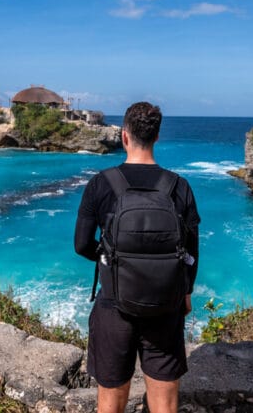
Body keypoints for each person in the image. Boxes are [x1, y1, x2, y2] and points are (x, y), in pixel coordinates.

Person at [74, 102, 200, 413]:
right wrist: (186, 293)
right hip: (165, 308)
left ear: (124, 136)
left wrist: (110, 260)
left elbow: (80, 245)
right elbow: (192, 252)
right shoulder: (178, 187)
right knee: (165, 405)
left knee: (110, 404)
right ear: (157, 136)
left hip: (114, 307)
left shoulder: (101, 183)